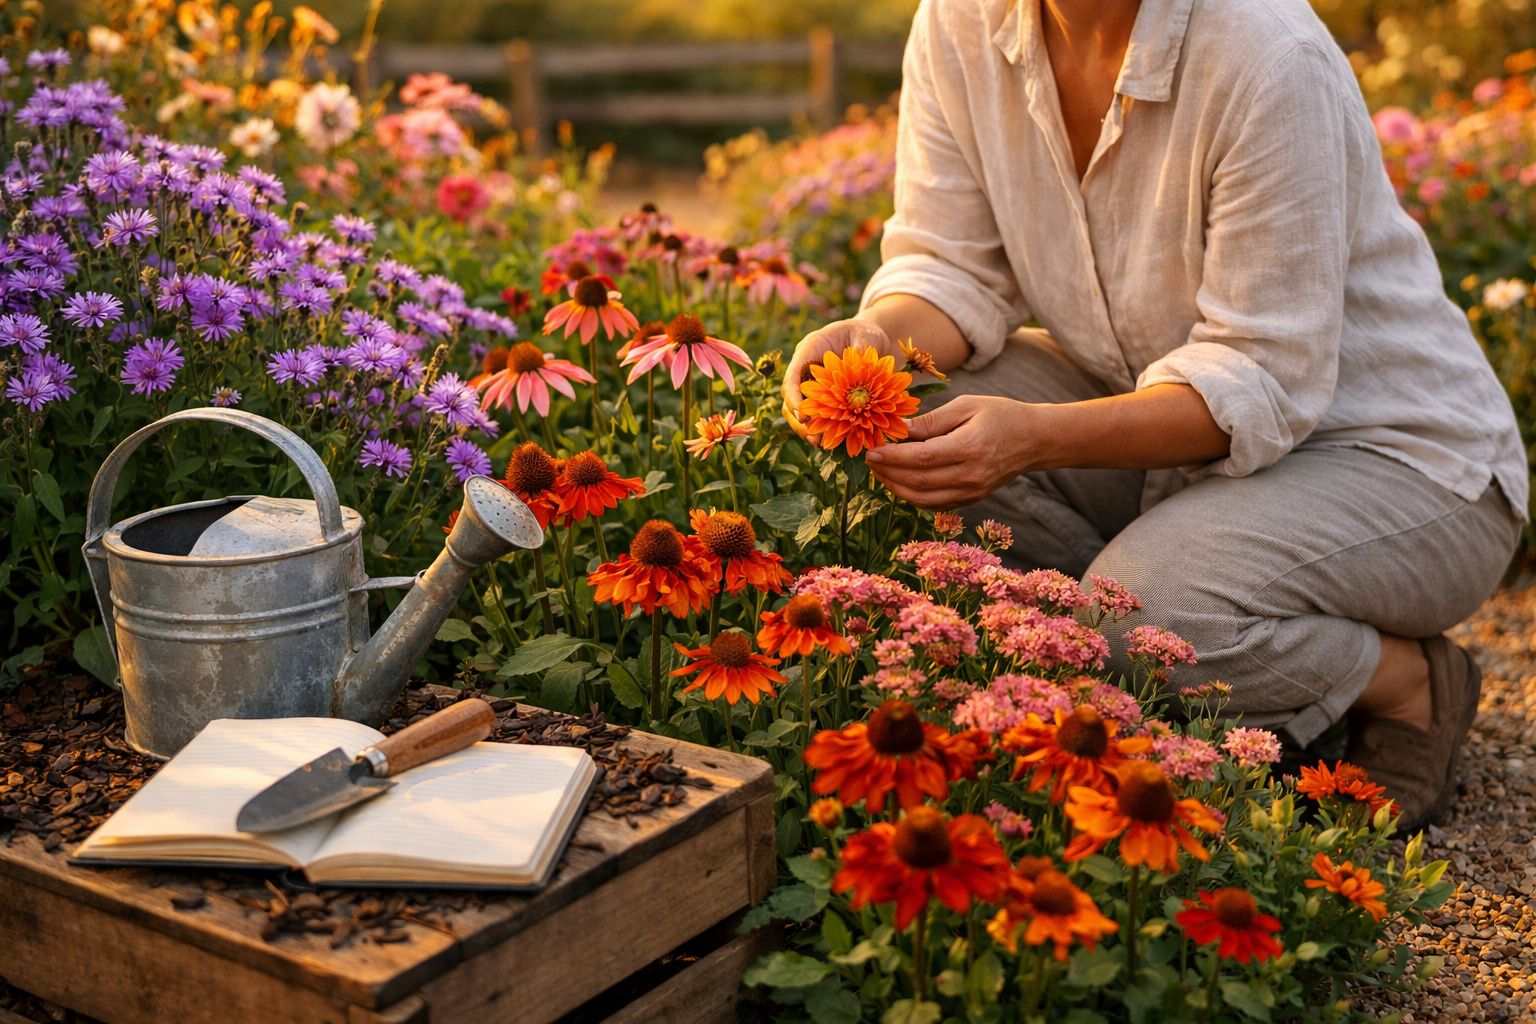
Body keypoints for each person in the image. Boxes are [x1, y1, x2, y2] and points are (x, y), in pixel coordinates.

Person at [781, 0, 1527, 828]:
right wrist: (875, 338)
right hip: (1169, 428)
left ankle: (1406, 681)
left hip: (1401, 464)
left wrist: (1034, 440)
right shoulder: (961, 21)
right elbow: (951, 267)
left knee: (1140, 623)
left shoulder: (1268, 54)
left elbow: (1259, 372)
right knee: (906, 402)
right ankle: (1190, 620)